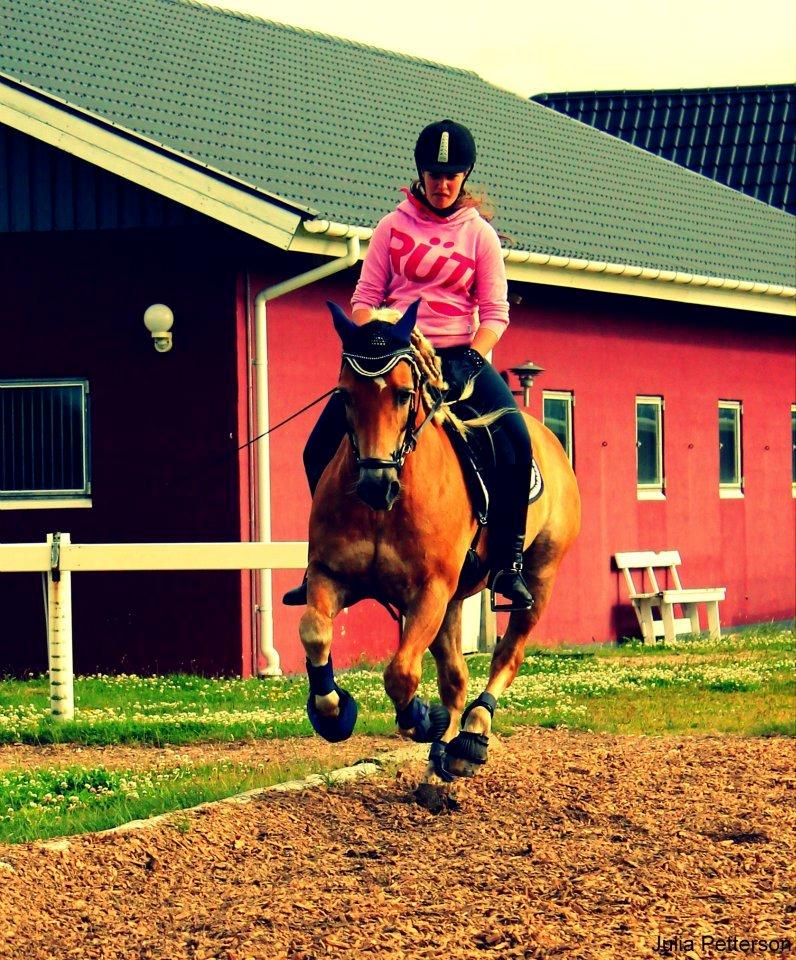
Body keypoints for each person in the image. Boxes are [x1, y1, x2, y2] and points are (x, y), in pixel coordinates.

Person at [283, 119, 533, 610]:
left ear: (465, 177)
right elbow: (364, 299)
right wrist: (376, 333)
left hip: (460, 354)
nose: (442, 184)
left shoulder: (480, 236)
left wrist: (472, 358)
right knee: (316, 448)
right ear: (420, 174)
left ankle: (509, 562)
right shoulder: (391, 228)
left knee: (516, 440)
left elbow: (496, 314)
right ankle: (323, 558)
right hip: (394, 352)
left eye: (452, 175)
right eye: (434, 174)